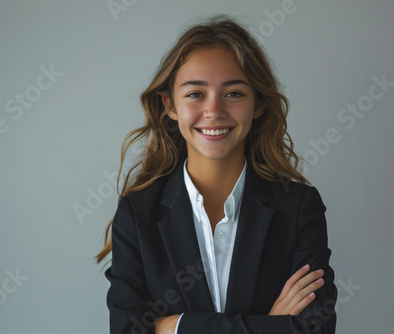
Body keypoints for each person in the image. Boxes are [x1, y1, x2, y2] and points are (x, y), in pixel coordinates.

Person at [96, 15, 337, 334]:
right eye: (196, 94)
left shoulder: (299, 207)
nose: (214, 110)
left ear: (258, 104)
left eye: (234, 93)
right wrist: (271, 324)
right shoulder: (137, 213)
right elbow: (126, 330)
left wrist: (174, 327)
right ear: (170, 105)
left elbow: (314, 329)